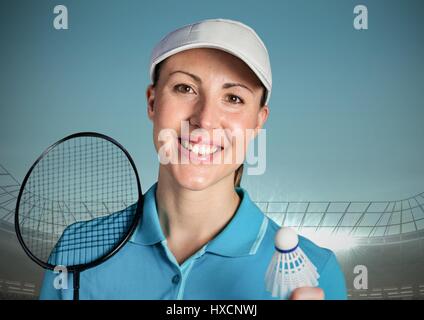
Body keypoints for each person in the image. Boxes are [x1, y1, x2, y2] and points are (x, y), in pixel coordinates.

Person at [39, 18, 347, 300]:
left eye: (234, 98)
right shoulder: (76, 250)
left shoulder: (316, 273)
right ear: (152, 102)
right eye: (184, 88)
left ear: (257, 123)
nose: (205, 119)